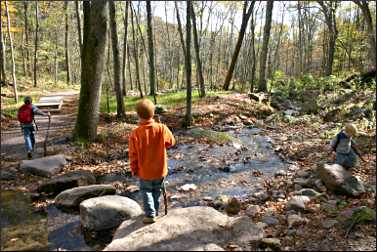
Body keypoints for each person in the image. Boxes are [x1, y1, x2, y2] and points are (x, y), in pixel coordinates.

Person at [128, 99, 175, 224]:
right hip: (160, 170)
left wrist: (134, 169)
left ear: (138, 115)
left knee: (146, 191)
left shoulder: (135, 133)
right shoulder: (161, 128)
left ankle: (150, 214)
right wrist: (162, 128)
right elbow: (171, 142)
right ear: (153, 113)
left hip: (145, 171)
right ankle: (155, 211)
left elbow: (133, 155)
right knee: (157, 190)